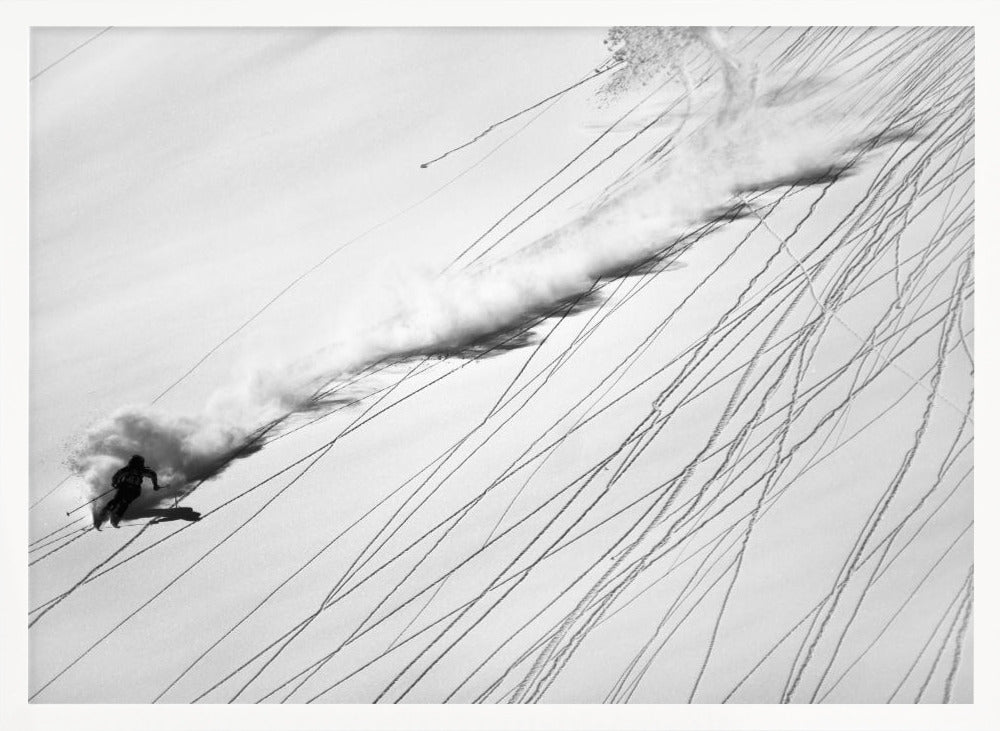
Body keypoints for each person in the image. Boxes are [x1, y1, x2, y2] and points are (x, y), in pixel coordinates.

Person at [97, 454, 160, 529]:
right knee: (117, 500)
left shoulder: (140, 470)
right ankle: (106, 512)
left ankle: (116, 516)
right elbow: (117, 475)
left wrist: (155, 485)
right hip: (124, 486)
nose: (134, 468)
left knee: (125, 502)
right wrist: (115, 483)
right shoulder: (128, 469)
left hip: (134, 489)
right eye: (132, 463)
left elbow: (153, 475)